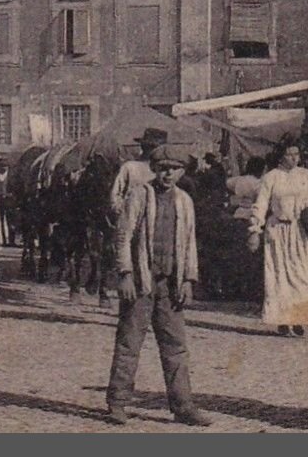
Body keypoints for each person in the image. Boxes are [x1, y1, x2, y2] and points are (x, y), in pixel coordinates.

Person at [105, 150, 213, 427]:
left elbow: (189, 243)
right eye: (163, 168)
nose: (168, 174)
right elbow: (123, 236)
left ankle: (183, 406)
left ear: (182, 172)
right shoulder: (139, 195)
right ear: (154, 168)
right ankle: (117, 402)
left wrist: (188, 279)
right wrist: (125, 274)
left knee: (176, 347)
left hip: (170, 284)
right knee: (129, 343)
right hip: (141, 282)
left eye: (174, 169)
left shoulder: (184, 201)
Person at [248, 137, 308, 337]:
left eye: (296, 154)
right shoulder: (271, 177)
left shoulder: (305, 175)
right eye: (289, 154)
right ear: (281, 156)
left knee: (307, 276)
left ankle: (301, 317)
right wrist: (255, 230)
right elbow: (261, 204)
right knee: (281, 277)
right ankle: (283, 320)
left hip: (303, 231)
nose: (294, 158)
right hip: (279, 231)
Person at [110, 127, 167, 215]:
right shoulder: (130, 167)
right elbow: (116, 193)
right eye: (150, 146)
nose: (154, 151)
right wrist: (121, 210)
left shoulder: (164, 169)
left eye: (157, 147)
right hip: (132, 213)